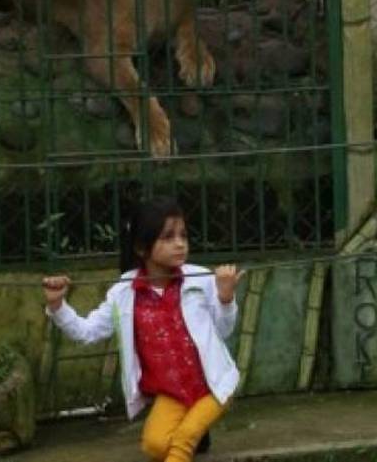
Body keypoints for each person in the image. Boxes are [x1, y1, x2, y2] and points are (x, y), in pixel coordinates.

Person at [41, 198, 242, 462]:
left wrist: (225, 299)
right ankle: (194, 428)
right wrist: (58, 305)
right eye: (168, 237)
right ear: (141, 247)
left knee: (181, 443)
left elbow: (224, 330)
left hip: (212, 386)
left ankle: (193, 431)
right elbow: (87, 332)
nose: (180, 243)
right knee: (155, 446)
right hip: (173, 393)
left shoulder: (200, 279)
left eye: (183, 235)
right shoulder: (123, 293)